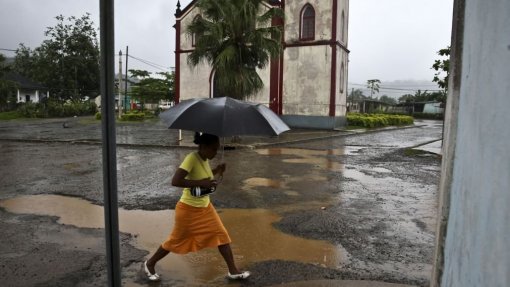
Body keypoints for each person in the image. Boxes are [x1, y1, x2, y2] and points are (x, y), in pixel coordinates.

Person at [143, 132, 250, 281]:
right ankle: (150, 263)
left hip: (205, 207)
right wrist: (201, 183)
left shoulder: (204, 159)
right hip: (188, 209)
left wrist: (217, 170)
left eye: (217, 149)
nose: (215, 152)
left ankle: (233, 270)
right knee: (175, 241)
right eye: (213, 149)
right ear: (203, 147)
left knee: (222, 235)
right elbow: (176, 181)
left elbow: (203, 177)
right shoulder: (192, 158)